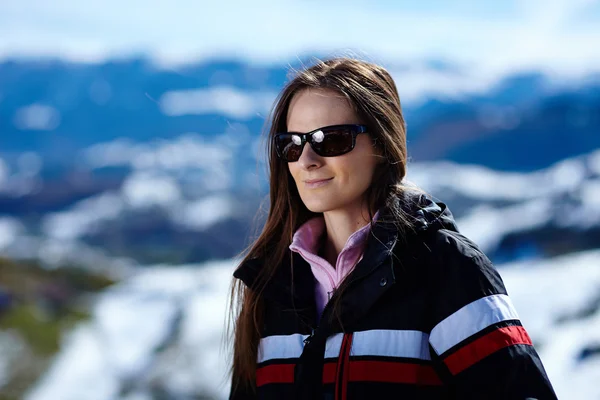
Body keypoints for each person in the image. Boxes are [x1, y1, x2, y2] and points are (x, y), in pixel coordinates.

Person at [228, 57, 557, 400]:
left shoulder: (447, 269)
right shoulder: (272, 284)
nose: (308, 160)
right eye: (293, 144)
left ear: (383, 144)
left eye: (332, 140)